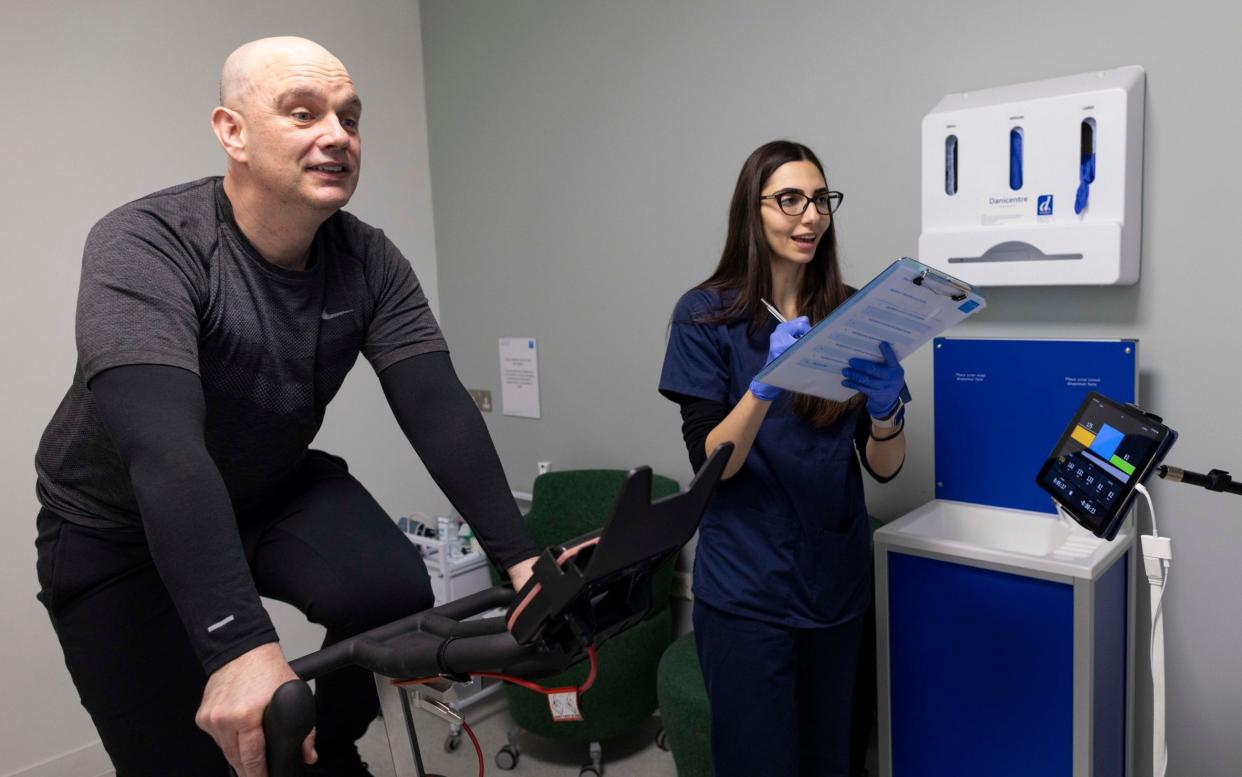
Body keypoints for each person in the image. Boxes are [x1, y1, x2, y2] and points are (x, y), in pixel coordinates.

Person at [33, 37, 538, 777]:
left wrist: (522, 559)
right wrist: (239, 642)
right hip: (114, 526)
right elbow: (166, 454)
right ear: (231, 131)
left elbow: (436, 404)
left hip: (267, 483)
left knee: (390, 589)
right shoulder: (148, 242)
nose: (337, 135)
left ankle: (317, 754)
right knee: (186, 754)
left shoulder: (368, 260)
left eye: (350, 118)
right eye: (303, 113)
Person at [658, 140, 907, 777]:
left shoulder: (852, 310)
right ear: (753, 209)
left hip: (836, 583)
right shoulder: (705, 315)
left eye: (821, 199)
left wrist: (886, 413)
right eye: (789, 199)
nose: (810, 216)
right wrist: (766, 385)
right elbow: (713, 462)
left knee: (834, 759)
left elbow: (883, 465)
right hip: (747, 592)